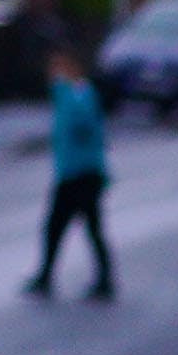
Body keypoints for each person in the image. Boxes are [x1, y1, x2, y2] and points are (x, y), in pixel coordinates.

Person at [27, 44, 113, 298]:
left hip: (83, 174)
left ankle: (103, 280)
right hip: (70, 173)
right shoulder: (67, 95)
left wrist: (62, 89)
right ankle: (46, 277)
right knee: (58, 228)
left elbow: (84, 125)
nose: (54, 73)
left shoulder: (79, 93)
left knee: (86, 228)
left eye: (59, 67)